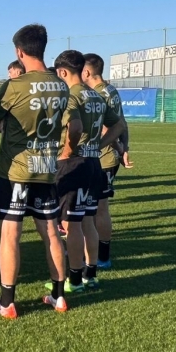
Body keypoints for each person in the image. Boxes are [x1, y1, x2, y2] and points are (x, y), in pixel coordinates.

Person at [0, 24, 70, 318]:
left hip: (15, 171)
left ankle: (7, 303)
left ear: (19, 52)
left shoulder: (13, 86)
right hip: (46, 168)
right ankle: (59, 296)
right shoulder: (61, 85)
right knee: (51, 233)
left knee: (10, 235)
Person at [49, 50, 116, 294]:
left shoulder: (71, 95)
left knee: (71, 224)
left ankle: (75, 280)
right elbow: (118, 124)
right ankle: (91, 275)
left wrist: (67, 152)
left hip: (75, 164)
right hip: (94, 163)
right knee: (88, 220)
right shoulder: (96, 95)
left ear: (62, 72)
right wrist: (98, 145)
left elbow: (75, 127)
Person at [81, 54, 132, 270]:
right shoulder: (111, 89)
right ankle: (91, 252)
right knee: (95, 207)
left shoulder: (97, 94)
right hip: (109, 156)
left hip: (102, 157)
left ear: (86, 72)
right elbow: (122, 122)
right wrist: (125, 148)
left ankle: (101, 257)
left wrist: (116, 148)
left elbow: (105, 127)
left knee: (98, 208)